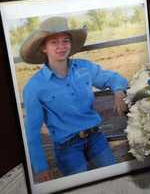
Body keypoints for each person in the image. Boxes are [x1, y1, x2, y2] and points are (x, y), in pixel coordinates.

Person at [20, 16, 128, 183]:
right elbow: (32, 132)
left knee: (116, 180)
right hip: (67, 147)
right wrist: (40, 167)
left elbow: (111, 78)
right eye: (54, 42)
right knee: (82, 188)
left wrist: (119, 91)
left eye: (65, 41)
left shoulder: (84, 68)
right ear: (44, 48)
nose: (61, 47)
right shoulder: (34, 87)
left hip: (95, 137)